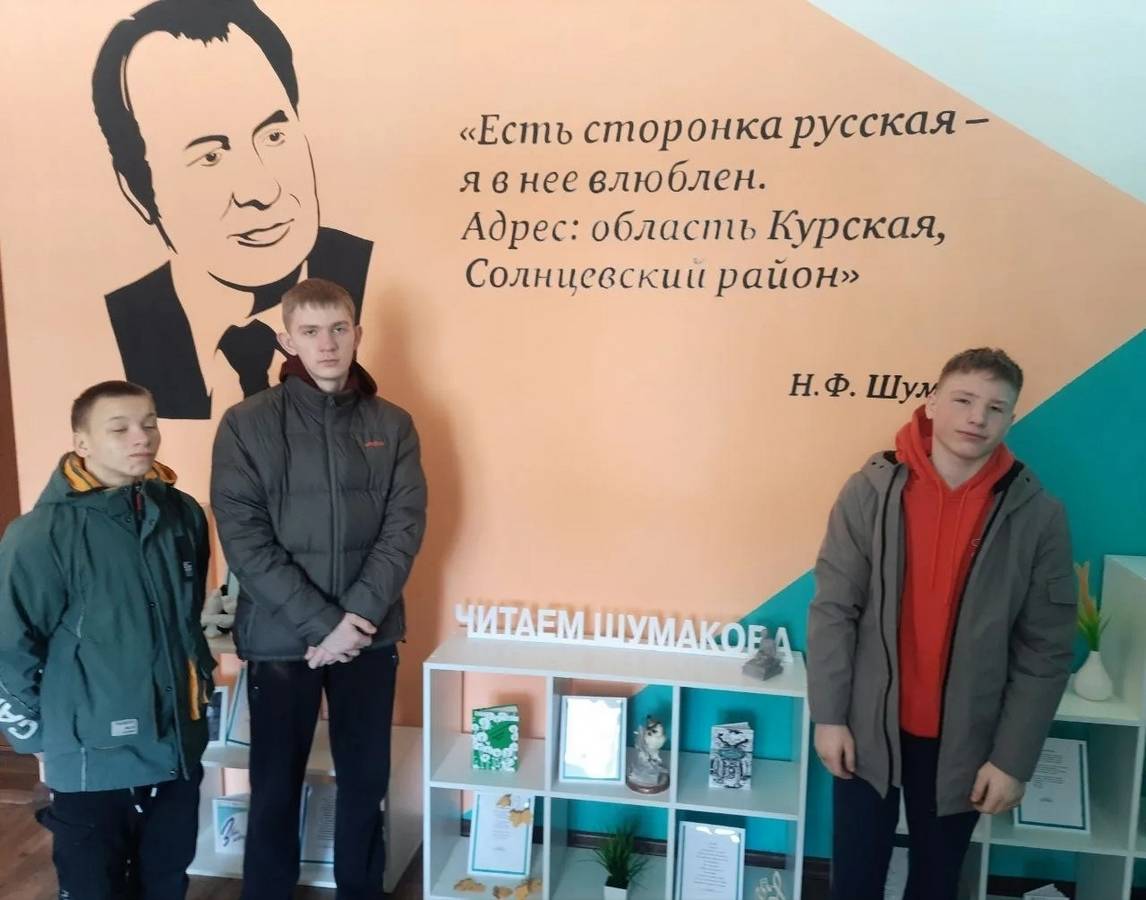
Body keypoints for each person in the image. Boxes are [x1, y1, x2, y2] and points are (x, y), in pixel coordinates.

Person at [807, 348, 1076, 900]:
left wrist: (1012, 759)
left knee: (936, 883)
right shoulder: (870, 490)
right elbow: (834, 609)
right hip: (868, 729)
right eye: (963, 400)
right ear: (931, 403)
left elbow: (1045, 650)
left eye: (995, 408)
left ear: (1011, 419)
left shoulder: (1038, 515)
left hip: (965, 744)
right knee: (854, 879)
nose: (977, 418)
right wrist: (829, 716)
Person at [211, 277, 427, 899]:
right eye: (310, 331)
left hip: (367, 634)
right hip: (283, 639)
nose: (327, 344)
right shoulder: (247, 424)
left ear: (357, 334)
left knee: (365, 782)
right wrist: (322, 625)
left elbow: (403, 528)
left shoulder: (393, 423)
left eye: (338, 329)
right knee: (274, 785)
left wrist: (353, 621)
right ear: (287, 341)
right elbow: (244, 539)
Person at [92, 0, 373, 419]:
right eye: (210, 157)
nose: (262, 189)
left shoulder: (372, 271)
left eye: (274, 136)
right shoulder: (124, 322)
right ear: (138, 191)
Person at [0, 380, 213, 899]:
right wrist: (39, 741)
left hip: (176, 751)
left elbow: (187, 621)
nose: (141, 437)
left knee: (166, 883)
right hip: (91, 762)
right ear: (83, 443)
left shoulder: (183, 513)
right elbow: (8, 648)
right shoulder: (40, 534)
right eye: (119, 428)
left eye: (149, 423)